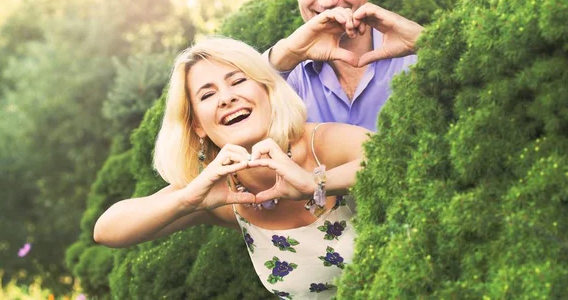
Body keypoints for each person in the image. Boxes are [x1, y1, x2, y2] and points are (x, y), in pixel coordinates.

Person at [94, 37, 371, 299]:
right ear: (197, 126)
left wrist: (314, 183)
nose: (226, 98)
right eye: (207, 95)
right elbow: (106, 230)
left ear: (268, 90)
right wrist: (187, 200)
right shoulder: (222, 196)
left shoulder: (321, 144)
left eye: (237, 81)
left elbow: (395, 155)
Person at [266, 0, 424, 132]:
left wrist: (427, 43)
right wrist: (286, 55)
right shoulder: (285, 75)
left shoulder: (414, 58)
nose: (328, 0)